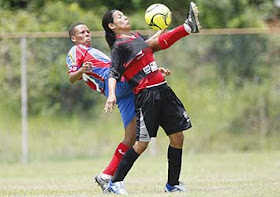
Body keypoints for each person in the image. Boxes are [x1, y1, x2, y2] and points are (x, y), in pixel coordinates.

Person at [103, 1, 201, 194]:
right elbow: (113, 73)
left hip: (163, 90)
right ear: (112, 26)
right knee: (141, 144)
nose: (125, 18)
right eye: (120, 17)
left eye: (124, 15)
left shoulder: (136, 37)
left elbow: (148, 51)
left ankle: (172, 184)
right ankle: (114, 182)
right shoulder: (118, 47)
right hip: (147, 97)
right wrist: (111, 95)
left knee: (178, 137)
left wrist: (155, 69)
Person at [66, 22, 171, 193]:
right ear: (73, 38)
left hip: (122, 89)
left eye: (88, 31)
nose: (86, 34)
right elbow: (71, 77)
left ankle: (106, 176)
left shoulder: (93, 51)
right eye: (81, 32)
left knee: (130, 138)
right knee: (141, 49)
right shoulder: (76, 51)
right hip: (116, 85)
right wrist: (81, 70)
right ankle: (176, 31)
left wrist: (152, 71)